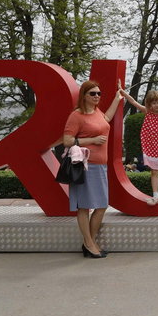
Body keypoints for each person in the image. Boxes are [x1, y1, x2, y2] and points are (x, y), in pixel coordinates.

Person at [63, 80, 123, 259]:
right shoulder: (77, 115)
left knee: (101, 205)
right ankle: (90, 244)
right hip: (84, 166)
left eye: (99, 93)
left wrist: (117, 97)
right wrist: (92, 140)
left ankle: (89, 242)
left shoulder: (97, 112)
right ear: (84, 95)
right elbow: (67, 140)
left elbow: (106, 120)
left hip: (100, 166)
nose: (97, 96)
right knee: (84, 207)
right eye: (93, 94)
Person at [120, 88, 158, 205]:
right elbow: (133, 101)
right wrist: (123, 93)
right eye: (154, 103)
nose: (157, 105)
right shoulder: (147, 112)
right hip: (152, 148)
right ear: (149, 104)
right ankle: (155, 195)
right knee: (154, 171)